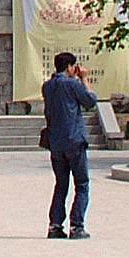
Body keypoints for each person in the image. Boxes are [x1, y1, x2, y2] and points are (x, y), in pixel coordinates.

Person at [43, 51, 97, 239]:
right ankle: (77, 226)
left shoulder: (48, 86)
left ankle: (55, 225)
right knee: (82, 184)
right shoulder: (72, 84)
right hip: (74, 140)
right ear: (70, 67)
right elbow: (90, 102)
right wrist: (85, 79)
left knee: (61, 184)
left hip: (56, 142)